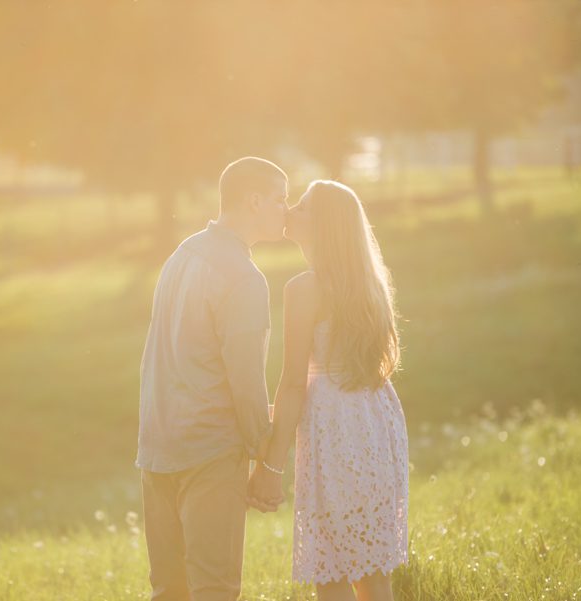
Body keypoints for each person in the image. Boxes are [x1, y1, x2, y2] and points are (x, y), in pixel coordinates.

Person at [136, 156, 289, 601]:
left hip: (156, 449)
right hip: (208, 452)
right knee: (214, 589)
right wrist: (266, 457)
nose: (286, 208)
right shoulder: (244, 277)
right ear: (254, 200)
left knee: (168, 590)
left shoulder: (180, 256)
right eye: (280, 199)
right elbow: (245, 379)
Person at [248, 180, 409, 601]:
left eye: (300, 207)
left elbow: (293, 384)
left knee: (332, 570)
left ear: (323, 226)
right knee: (372, 573)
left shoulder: (304, 289)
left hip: (335, 432)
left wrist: (270, 468)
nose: (289, 212)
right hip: (375, 423)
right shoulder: (370, 284)